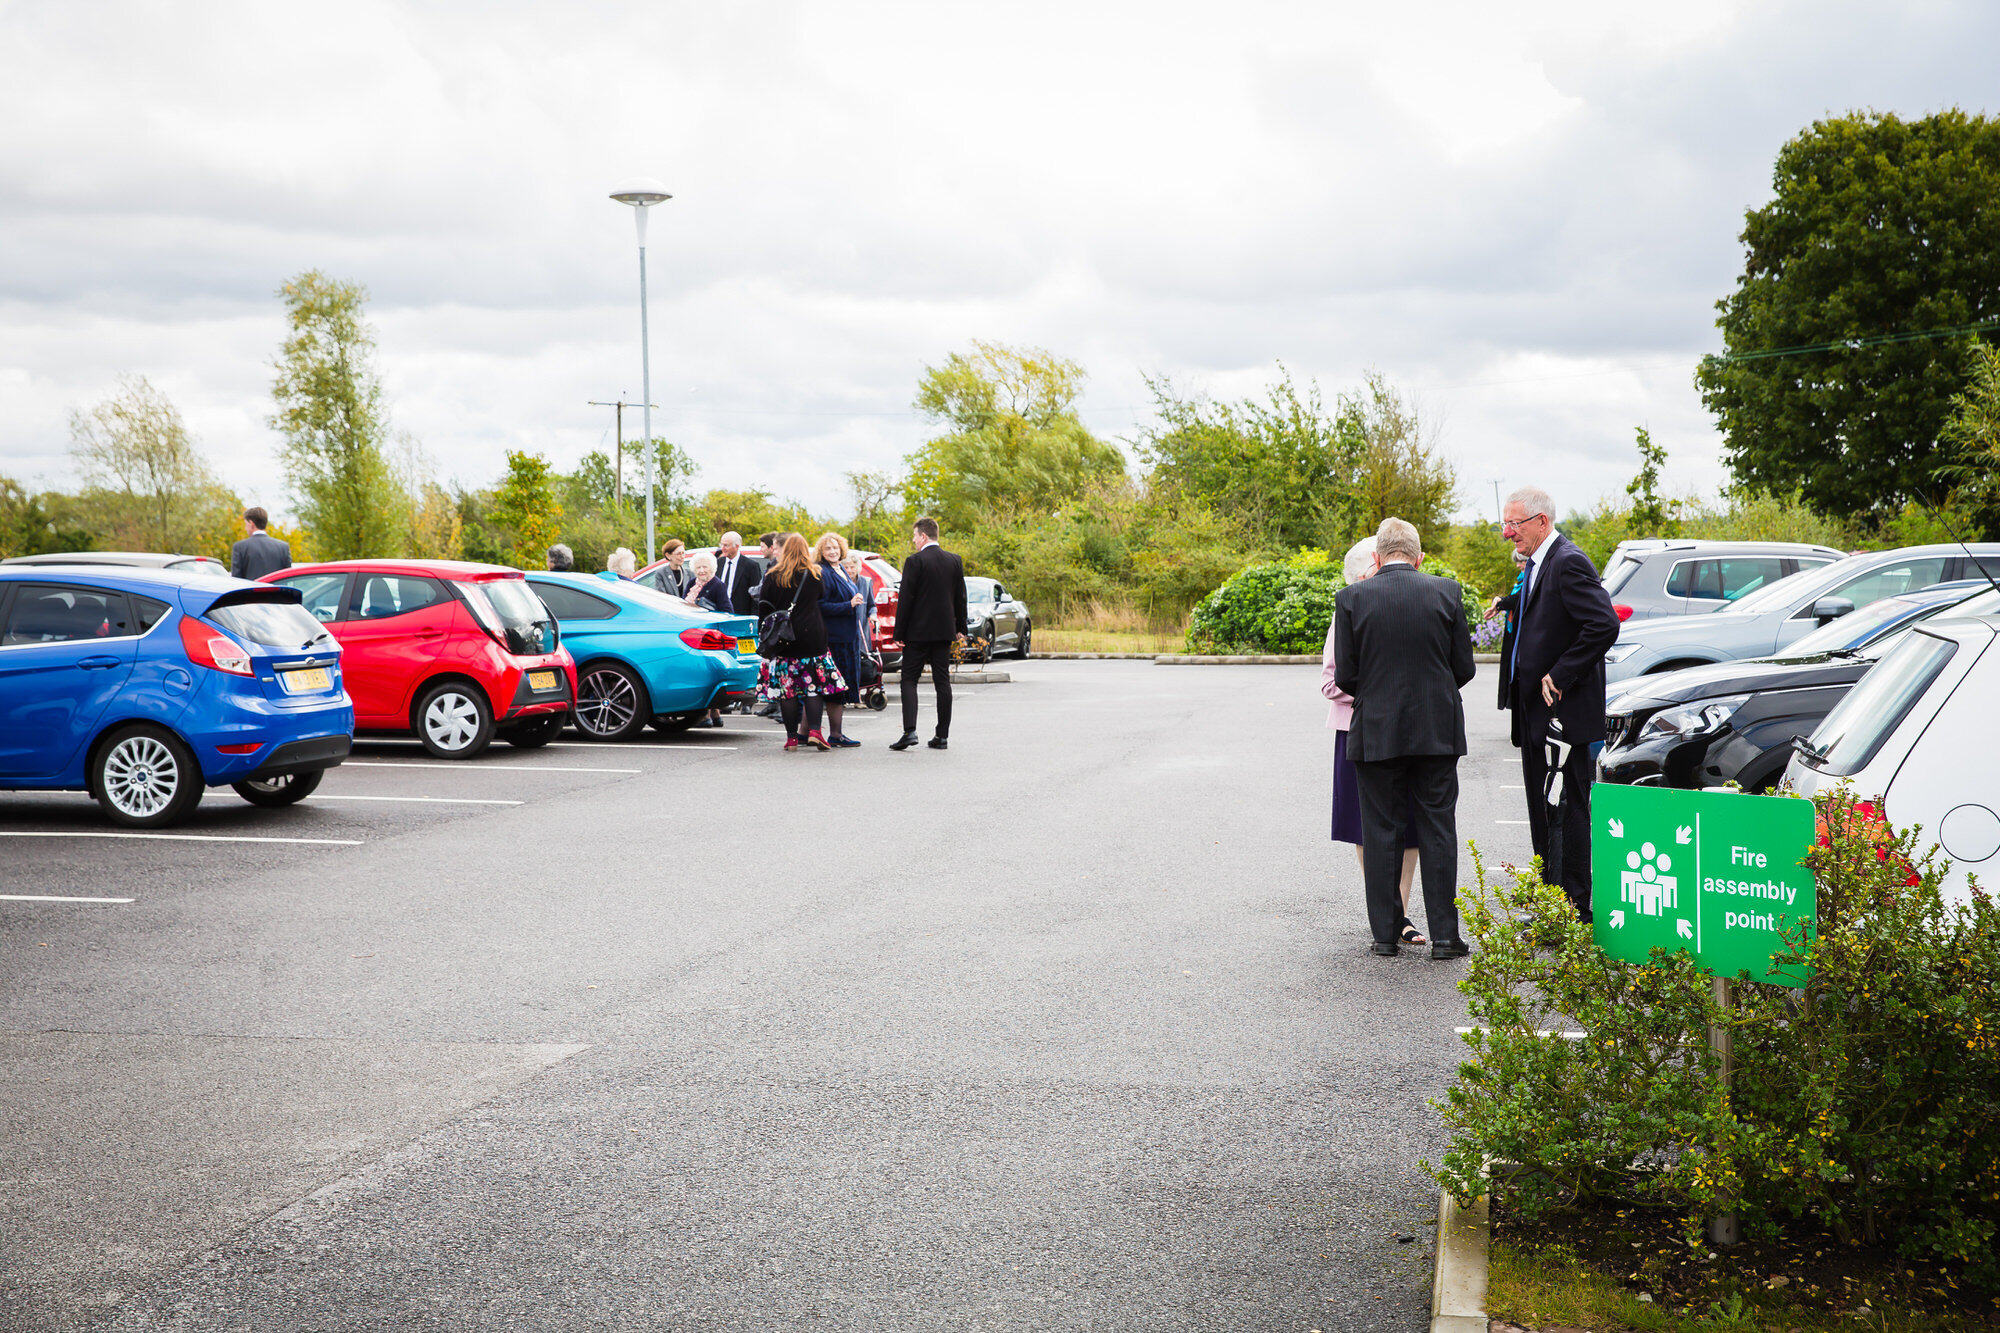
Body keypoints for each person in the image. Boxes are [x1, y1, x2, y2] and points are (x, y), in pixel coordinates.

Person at [1333, 517, 1477, 959]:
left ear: (1376, 557)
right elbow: (1465, 668)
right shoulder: (1447, 592)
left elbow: (1348, 675)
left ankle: (1384, 936)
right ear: (1419, 558)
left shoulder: (1351, 598)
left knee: (1380, 830)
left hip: (1376, 730)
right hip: (1436, 730)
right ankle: (1447, 939)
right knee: (1437, 829)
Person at [1499, 485, 1620, 922]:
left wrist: (1560, 673)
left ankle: (1572, 907)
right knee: (1543, 807)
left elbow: (1603, 625)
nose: (1508, 532)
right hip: (1536, 711)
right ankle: (1552, 901)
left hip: (1562, 715)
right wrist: (1509, 603)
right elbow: (1548, 614)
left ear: (1541, 521)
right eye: (1506, 523)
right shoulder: (1539, 562)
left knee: (1565, 808)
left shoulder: (1568, 561)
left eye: (1514, 523)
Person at [1320, 535, 1425, 946]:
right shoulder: (1348, 609)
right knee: (1367, 827)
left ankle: (1401, 909)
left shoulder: (1410, 603)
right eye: (1374, 572)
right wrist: (1383, 692)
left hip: (1410, 730)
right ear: (1365, 573)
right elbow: (1330, 682)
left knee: (1411, 824)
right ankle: (1388, 912)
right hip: (1359, 731)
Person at [756, 533, 846, 751]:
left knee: (789, 690)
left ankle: (791, 738)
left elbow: (764, 606)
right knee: (812, 687)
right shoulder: (815, 574)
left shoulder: (773, 575)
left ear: (784, 550)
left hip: (785, 638)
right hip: (812, 635)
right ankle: (815, 731)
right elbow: (820, 596)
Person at [889, 516, 967, 752]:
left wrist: (899, 631)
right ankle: (941, 736)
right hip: (944, 632)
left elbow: (906, 599)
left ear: (923, 536)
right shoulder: (954, 560)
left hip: (917, 633)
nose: (913, 541)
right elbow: (960, 596)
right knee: (942, 682)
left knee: (909, 680)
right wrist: (960, 627)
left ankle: (910, 731)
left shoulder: (915, 561)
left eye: (914, 536)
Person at [814, 533, 866, 747]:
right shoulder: (824, 572)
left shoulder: (840, 568)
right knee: (834, 686)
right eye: (828, 549)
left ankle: (805, 732)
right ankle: (835, 735)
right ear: (821, 552)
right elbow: (820, 606)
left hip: (847, 636)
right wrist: (849, 605)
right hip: (834, 639)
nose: (833, 551)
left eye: (835, 547)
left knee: (831, 686)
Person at [230, 508, 291, 580]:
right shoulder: (283, 547)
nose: (245, 528)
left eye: (246, 524)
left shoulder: (240, 547)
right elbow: (287, 578)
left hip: (249, 590)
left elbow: (236, 579)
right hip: (275, 591)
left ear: (251, 523)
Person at [714, 532, 760, 615]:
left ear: (737, 546)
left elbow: (755, 597)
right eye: (721, 544)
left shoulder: (750, 566)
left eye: (726, 545)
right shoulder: (717, 563)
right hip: (718, 615)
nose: (722, 548)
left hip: (740, 616)